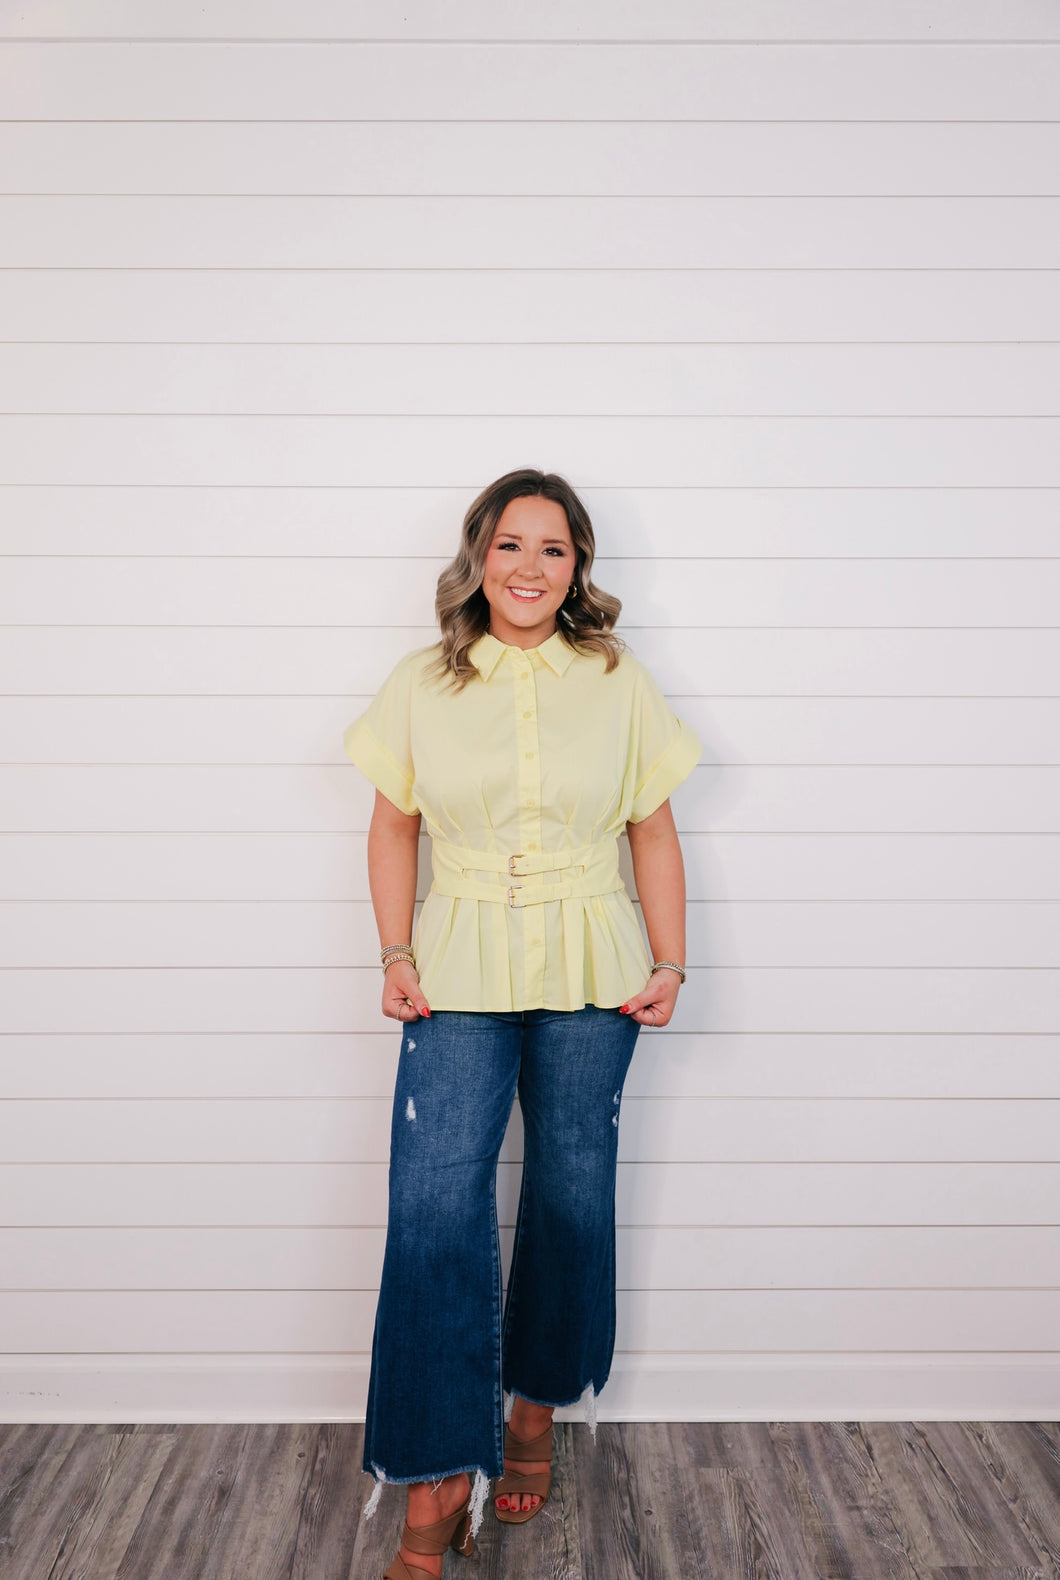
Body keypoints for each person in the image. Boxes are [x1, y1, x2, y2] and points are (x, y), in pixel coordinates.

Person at [342, 467, 701, 1580]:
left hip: (597, 965)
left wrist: (671, 957)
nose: (530, 567)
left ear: (579, 566)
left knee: (568, 1193)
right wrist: (394, 950)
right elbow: (393, 827)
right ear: (476, 558)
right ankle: (440, 1468)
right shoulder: (420, 682)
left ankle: (535, 1406)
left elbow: (652, 828)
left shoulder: (615, 677)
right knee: (435, 1206)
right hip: (454, 970)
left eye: (554, 548)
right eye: (510, 544)